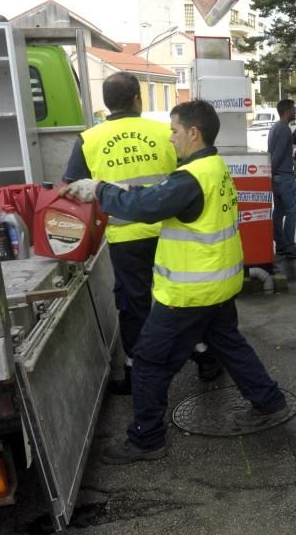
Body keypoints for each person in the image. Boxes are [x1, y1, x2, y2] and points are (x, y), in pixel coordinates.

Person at [61, 100, 290, 464]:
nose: (170, 138)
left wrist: (99, 190)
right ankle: (268, 400)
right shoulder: (212, 167)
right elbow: (156, 196)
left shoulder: (191, 178)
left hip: (190, 293)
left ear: (193, 133)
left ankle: (146, 439)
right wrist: (116, 188)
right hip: (218, 284)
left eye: (174, 131)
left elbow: (147, 207)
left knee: (149, 361)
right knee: (228, 343)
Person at [61, 72, 219, 394]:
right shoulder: (166, 132)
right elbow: (189, 173)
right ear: (138, 99)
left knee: (134, 303)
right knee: (184, 298)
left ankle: (136, 371)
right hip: (171, 234)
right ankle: (206, 356)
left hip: (125, 237)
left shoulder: (89, 138)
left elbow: (74, 186)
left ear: (106, 104)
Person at [268, 99, 296, 259]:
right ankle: (290, 246)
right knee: (292, 212)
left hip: (276, 178)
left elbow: (272, 153)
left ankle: (280, 245)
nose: (295, 113)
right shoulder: (284, 129)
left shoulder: (274, 128)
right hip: (284, 176)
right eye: (293, 110)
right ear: (287, 111)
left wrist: (271, 175)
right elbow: (278, 155)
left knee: (278, 211)